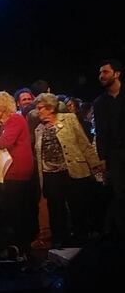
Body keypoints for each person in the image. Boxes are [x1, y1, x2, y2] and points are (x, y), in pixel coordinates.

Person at [34, 93, 102, 247]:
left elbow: (83, 142)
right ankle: (60, 239)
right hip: (50, 175)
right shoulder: (38, 129)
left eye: (40, 108)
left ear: (50, 108)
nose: (38, 111)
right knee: (56, 208)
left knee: (77, 205)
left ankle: (81, 238)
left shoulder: (69, 119)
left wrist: (95, 164)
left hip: (72, 170)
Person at [0, 91, 35, 254]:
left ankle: (20, 245)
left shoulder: (15, 119)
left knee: (14, 209)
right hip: (16, 170)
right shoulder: (10, 122)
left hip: (17, 171)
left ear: (1, 108)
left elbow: (4, 142)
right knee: (14, 209)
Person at [93, 59, 125, 200]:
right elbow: (101, 132)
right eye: (100, 73)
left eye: (105, 72)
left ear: (116, 74)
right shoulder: (99, 103)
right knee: (119, 194)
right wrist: (102, 158)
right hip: (114, 155)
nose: (101, 76)